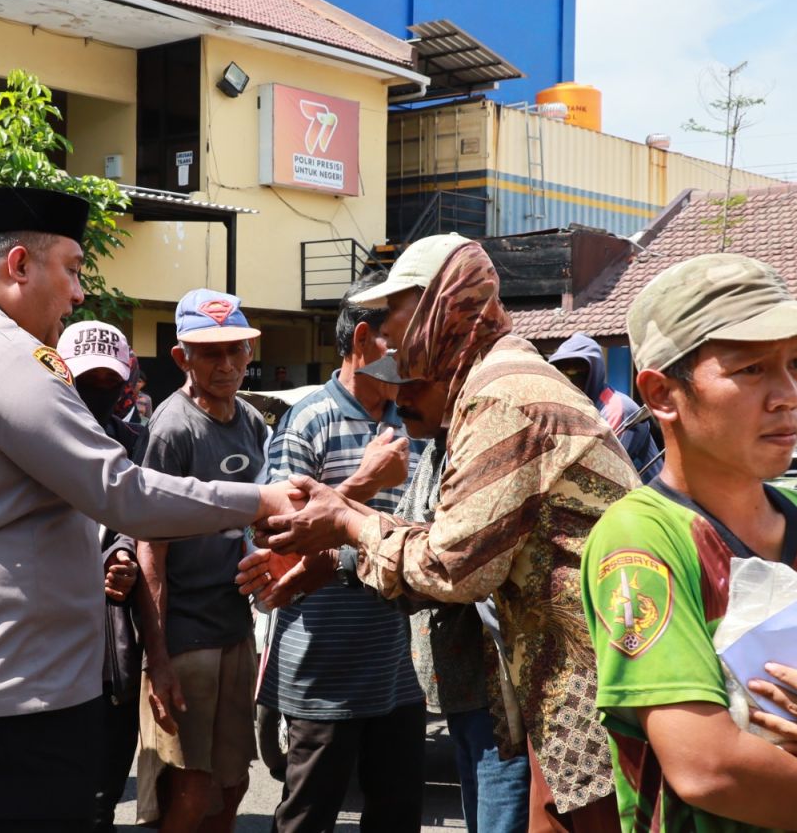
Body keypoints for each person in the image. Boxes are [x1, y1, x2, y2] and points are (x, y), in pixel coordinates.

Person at [0, 187, 298, 832]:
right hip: (7, 690)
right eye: (71, 268)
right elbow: (122, 493)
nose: (76, 293)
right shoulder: (3, 356)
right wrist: (260, 499)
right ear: (19, 265)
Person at [248, 235, 638, 830]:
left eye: (395, 315)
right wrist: (345, 546)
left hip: (598, 683)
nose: (387, 340)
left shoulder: (500, 397)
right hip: (575, 679)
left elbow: (452, 565)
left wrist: (348, 520)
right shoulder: (489, 385)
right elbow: (455, 542)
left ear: (442, 306)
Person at [580, 252, 797, 831]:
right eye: (751, 370)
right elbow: (708, 767)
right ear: (662, 393)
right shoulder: (643, 540)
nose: (789, 394)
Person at [253, 274, 426, 833]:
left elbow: (426, 532)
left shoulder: (413, 424)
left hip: (397, 671)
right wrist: (365, 484)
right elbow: (278, 537)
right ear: (360, 343)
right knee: (308, 818)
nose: (413, 349)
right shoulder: (308, 420)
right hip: (322, 672)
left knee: (396, 816)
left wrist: (345, 545)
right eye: (399, 337)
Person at [352, 353, 532, 833]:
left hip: (500, 677)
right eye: (398, 389)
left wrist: (348, 519)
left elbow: (444, 563)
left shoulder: (481, 445)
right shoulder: (437, 447)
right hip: (462, 675)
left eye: (413, 387)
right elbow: (412, 532)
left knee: (501, 788)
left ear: (453, 385)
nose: (400, 401)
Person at [134, 288, 267, 833]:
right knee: (188, 788)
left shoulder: (253, 422)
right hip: (186, 636)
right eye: (210, 352)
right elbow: (150, 547)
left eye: (236, 349)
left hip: (236, 628)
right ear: (181, 357)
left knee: (232, 783)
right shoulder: (171, 428)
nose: (227, 363)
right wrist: (158, 658)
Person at [56, 319, 148, 833]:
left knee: (109, 751)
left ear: (126, 379)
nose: (96, 394)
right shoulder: (30, 437)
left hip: (114, 628)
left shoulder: (137, 441)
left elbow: (147, 511)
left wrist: (123, 552)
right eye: (83, 382)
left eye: (106, 383)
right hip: (44, 625)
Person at [549, 332, 663, 482]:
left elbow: (604, 468)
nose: (571, 377)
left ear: (594, 371)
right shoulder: (571, 409)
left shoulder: (616, 407)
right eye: (563, 370)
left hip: (646, 498)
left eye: (578, 369)